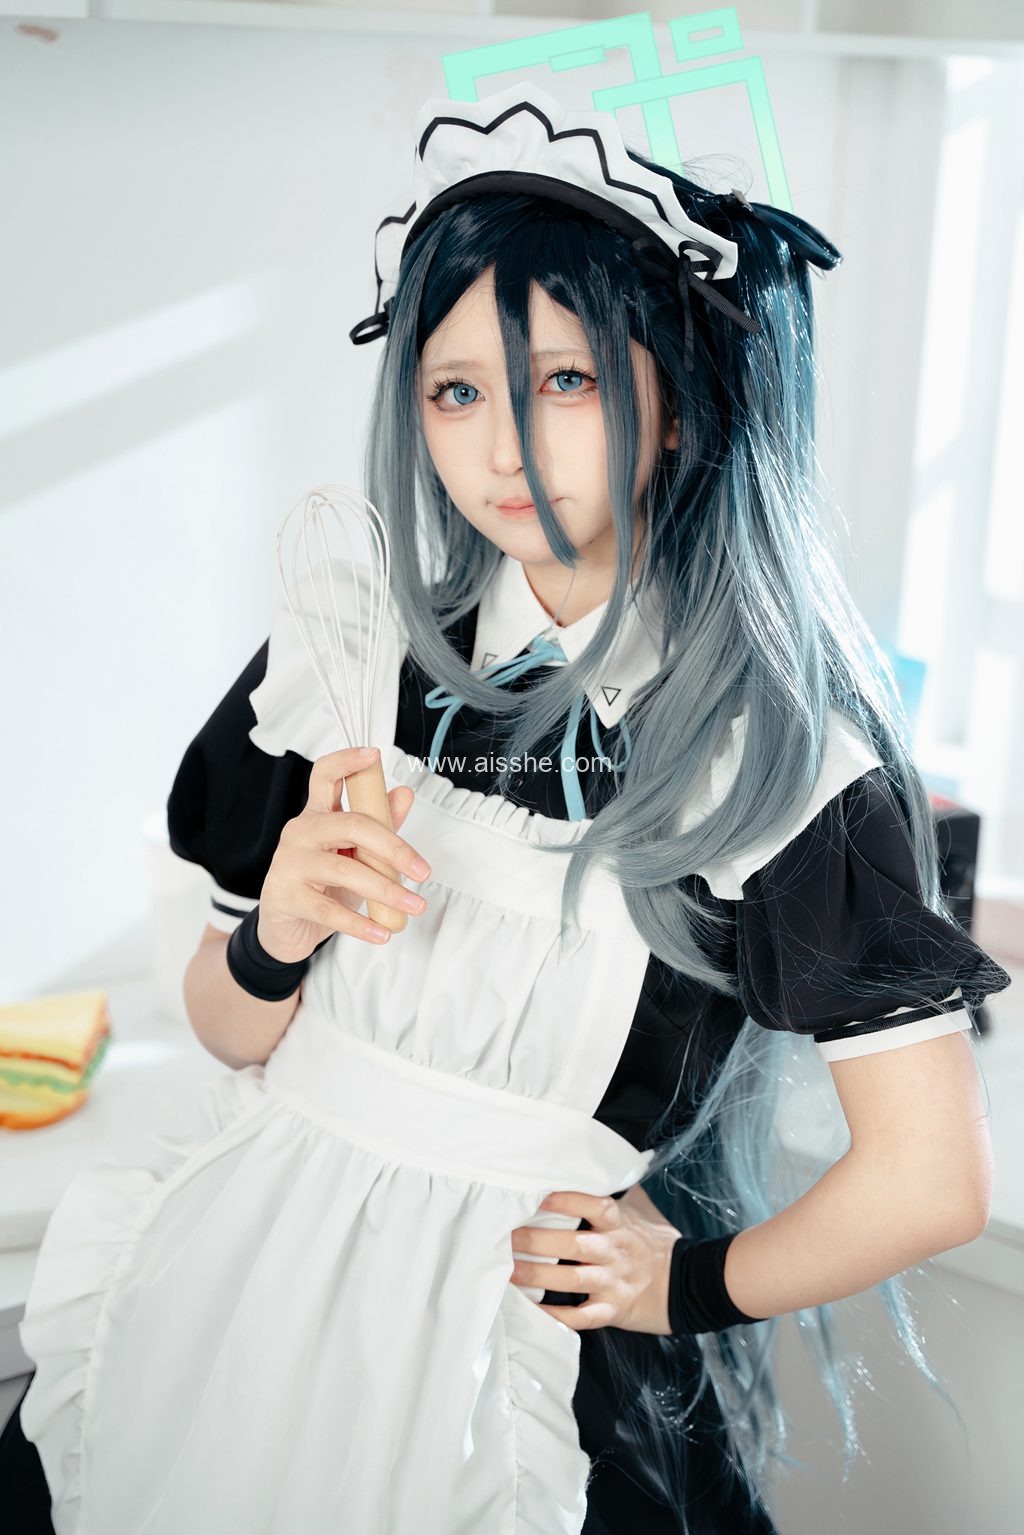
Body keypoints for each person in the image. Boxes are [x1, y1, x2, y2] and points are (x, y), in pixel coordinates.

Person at [8, 83, 1010, 1535]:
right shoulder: (347, 660)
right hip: (243, 1277)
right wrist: (276, 933)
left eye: (568, 384)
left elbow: (931, 1181)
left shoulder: (764, 756)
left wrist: (687, 1284)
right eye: (458, 391)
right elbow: (231, 1031)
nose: (503, 452)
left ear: (679, 404)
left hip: (519, 1338)